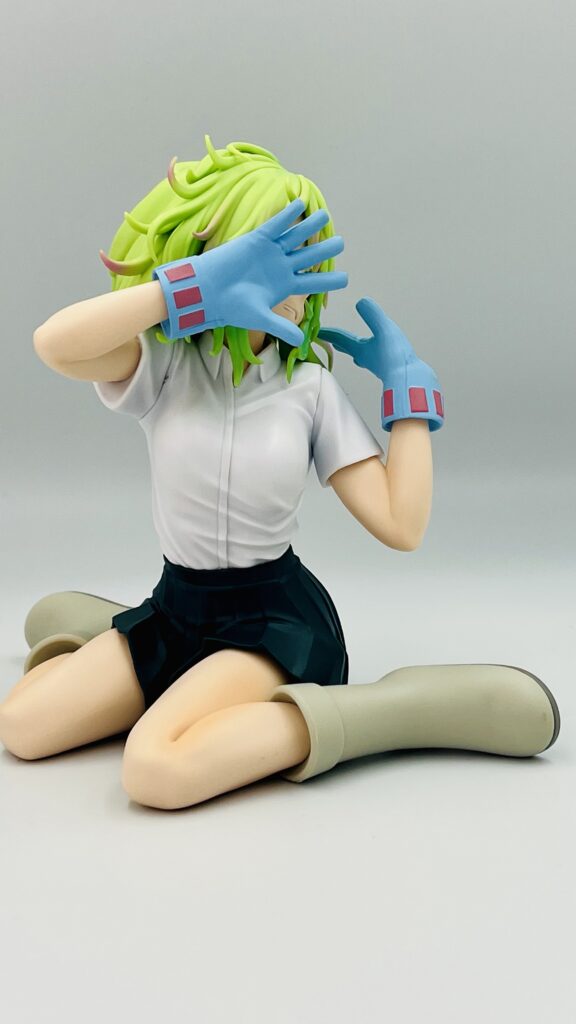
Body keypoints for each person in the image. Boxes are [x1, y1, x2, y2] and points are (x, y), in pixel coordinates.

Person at [0, 138, 560, 809]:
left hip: (274, 624)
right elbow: (56, 346)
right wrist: (190, 290)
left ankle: (383, 712)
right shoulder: (168, 367)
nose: (292, 283)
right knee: (21, 727)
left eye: (305, 260)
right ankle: (134, 647)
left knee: (153, 769)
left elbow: (401, 524)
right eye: (266, 259)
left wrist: (409, 396)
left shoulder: (308, 387)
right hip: (177, 608)